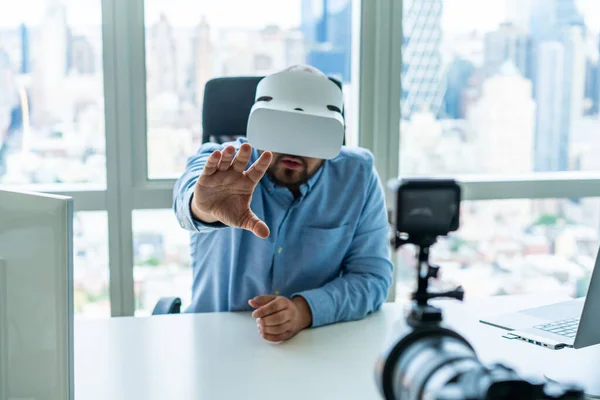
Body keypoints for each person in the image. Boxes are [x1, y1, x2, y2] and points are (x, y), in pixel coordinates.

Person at [173, 65, 393, 342]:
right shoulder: (223, 164)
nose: (295, 147)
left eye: (312, 131)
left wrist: (305, 311)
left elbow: (372, 278)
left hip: (313, 347)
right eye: (283, 127)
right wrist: (202, 208)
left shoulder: (357, 177)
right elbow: (187, 198)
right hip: (216, 341)